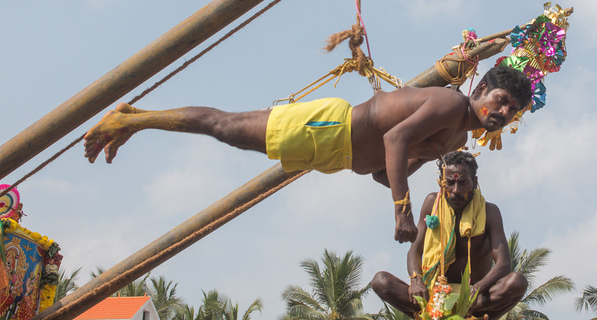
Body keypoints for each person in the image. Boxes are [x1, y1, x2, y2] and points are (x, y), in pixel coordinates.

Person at [83, 66, 532, 244]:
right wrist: (402, 210)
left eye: (512, 110)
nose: (503, 111)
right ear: (481, 91)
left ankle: (135, 118)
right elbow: (395, 141)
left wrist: (400, 185)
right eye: (501, 99)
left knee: (226, 132)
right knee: (224, 127)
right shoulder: (451, 104)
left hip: (336, 154)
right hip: (330, 128)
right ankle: (130, 120)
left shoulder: (457, 140)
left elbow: (386, 168)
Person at [371, 150, 527, 319]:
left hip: (473, 298)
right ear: (441, 182)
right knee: (381, 281)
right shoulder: (431, 203)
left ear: (475, 182)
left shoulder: (490, 212)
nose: (456, 190)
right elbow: (414, 250)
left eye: (463, 183)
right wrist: (416, 280)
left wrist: (476, 290)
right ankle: (429, 312)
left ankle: (469, 313)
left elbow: (503, 264)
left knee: (517, 282)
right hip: (433, 295)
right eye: (450, 183)